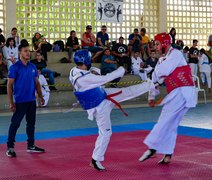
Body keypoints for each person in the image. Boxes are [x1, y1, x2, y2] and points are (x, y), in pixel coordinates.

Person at [69, 49, 154, 171]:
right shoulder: (84, 78)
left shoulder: (74, 71)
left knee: (127, 92)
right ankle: (95, 159)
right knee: (106, 132)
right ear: (86, 60)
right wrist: (122, 69)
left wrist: (95, 71)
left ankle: (151, 84)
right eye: (90, 59)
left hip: (102, 96)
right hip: (100, 106)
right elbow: (107, 78)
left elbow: (92, 74)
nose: (91, 61)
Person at [139, 32, 196, 164]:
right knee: (171, 124)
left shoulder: (176, 54)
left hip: (182, 91)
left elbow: (162, 72)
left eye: (158, 44)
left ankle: (153, 147)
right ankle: (167, 154)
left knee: (165, 119)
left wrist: (157, 79)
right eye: (155, 45)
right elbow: (155, 79)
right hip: (177, 93)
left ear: (165, 43)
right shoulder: (161, 60)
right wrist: (151, 97)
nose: (156, 47)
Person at [6, 39, 45, 157]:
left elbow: (37, 83)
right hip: (20, 101)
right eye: (25, 51)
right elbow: (9, 85)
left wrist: (41, 97)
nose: (28, 53)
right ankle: (10, 147)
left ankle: (31, 145)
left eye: (29, 51)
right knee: (15, 124)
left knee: (31, 124)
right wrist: (11, 103)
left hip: (31, 101)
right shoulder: (15, 67)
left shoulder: (32, 66)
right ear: (20, 53)